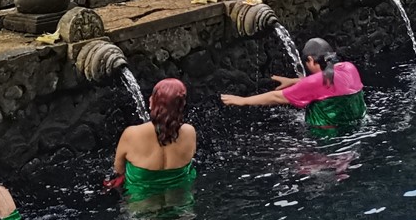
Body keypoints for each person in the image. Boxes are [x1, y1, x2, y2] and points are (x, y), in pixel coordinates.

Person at [221, 37, 366, 130]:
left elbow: (277, 97)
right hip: (353, 129)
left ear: (310, 60)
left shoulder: (316, 81)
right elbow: (328, 84)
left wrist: (243, 101)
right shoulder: (349, 68)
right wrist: (293, 81)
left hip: (324, 137)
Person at [109, 78, 197, 206]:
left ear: (152, 102)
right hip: (181, 204)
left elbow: (118, 169)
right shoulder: (190, 133)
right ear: (181, 106)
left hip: (143, 208)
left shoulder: (132, 134)